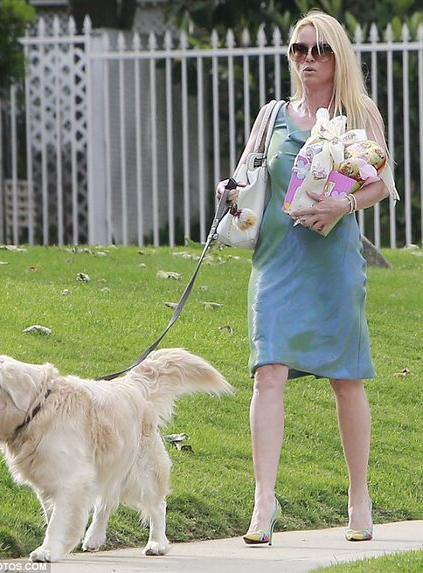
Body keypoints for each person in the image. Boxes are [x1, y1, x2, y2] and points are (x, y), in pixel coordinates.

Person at [216, 10, 398, 545]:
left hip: (333, 259)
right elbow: (247, 176)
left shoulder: (359, 111)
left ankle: (359, 497)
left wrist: (342, 205)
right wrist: (230, 192)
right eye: (299, 49)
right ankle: (263, 503)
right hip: (275, 258)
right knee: (267, 371)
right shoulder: (272, 115)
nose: (309, 59)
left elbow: (381, 184)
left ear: (338, 55)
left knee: (346, 378)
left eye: (320, 49)